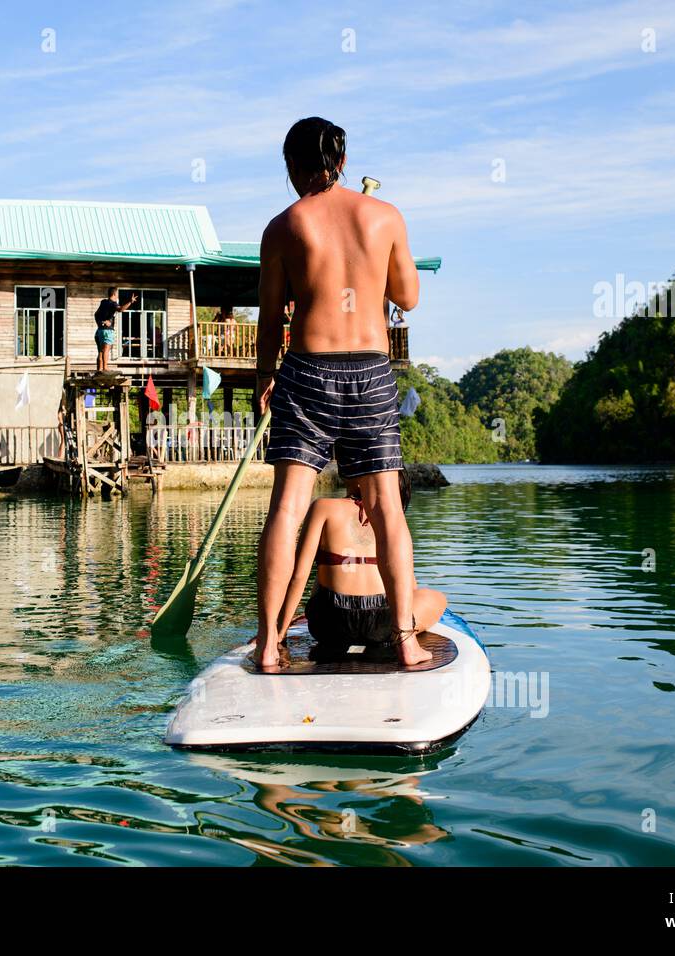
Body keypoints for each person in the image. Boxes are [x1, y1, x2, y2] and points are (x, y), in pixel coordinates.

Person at [253, 116, 422, 671]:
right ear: (343, 162)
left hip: (305, 370)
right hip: (370, 371)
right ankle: (407, 640)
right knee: (387, 510)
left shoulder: (283, 226)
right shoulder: (385, 216)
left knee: (288, 507)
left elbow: (272, 318)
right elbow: (408, 296)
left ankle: (268, 645)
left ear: (292, 168)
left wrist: (263, 377)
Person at [274, 470, 446, 664]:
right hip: (382, 625)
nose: (344, 466)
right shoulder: (392, 519)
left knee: (322, 572)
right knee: (436, 598)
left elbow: (298, 576)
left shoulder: (323, 507)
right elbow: (408, 586)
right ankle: (405, 638)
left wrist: (279, 634)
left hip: (330, 623)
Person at [94, 287, 137, 371]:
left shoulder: (103, 302)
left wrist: (101, 322)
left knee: (100, 351)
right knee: (106, 349)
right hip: (107, 330)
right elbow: (120, 309)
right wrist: (130, 302)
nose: (118, 296)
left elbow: (96, 314)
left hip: (99, 330)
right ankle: (105, 368)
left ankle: (99, 369)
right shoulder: (113, 303)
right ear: (114, 294)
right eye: (117, 294)